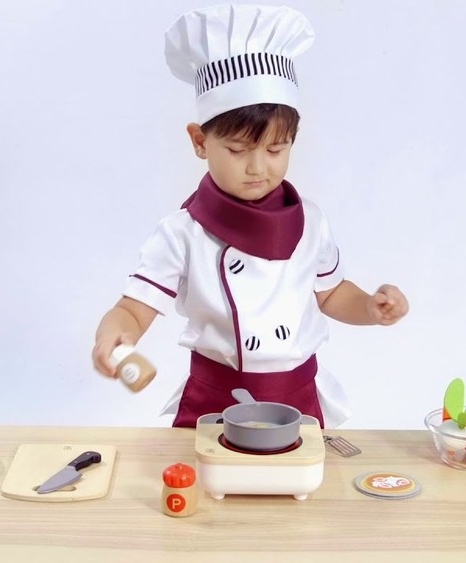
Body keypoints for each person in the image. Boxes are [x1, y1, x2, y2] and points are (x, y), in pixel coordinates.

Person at [91, 4, 408, 428]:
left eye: (276, 149)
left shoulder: (311, 222)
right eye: (238, 150)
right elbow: (134, 309)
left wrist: (369, 307)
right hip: (215, 400)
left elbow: (331, 294)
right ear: (200, 141)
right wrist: (114, 331)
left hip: (296, 398)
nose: (258, 167)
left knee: (302, 471)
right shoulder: (182, 233)